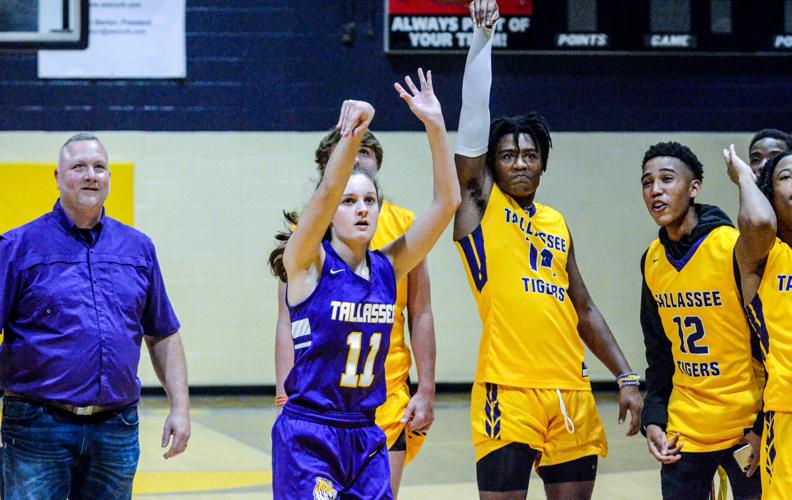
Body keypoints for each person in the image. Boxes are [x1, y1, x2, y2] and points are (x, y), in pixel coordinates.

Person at [453, 2, 642, 498]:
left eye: (530, 155)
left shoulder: (557, 222)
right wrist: (482, 39)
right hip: (507, 390)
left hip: (571, 391)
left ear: (543, 165)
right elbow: (473, 122)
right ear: (492, 166)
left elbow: (583, 307)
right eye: (508, 155)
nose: (520, 163)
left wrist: (624, 374)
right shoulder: (481, 206)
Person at [267, 69, 459, 498]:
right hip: (310, 434)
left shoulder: (389, 268)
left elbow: (448, 203)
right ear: (331, 209)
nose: (361, 209)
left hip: (366, 434)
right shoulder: (306, 263)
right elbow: (329, 187)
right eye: (349, 201)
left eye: (369, 200)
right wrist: (355, 131)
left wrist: (435, 124)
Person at [0, 133, 190, 499]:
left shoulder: (138, 248)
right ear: (57, 176)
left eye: (99, 167)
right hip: (37, 426)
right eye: (79, 167)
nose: (91, 175)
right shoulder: (17, 247)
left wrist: (180, 408)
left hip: (116, 427)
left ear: (108, 178)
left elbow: (163, 333)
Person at [639, 141, 763, 499]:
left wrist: (761, 423)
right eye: (647, 182)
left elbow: (766, 341)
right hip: (685, 430)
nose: (655, 190)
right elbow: (659, 352)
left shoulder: (732, 247)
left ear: (694, 188)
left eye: (667, 179)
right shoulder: (652, 260)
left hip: (743, 425)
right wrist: (654, 417)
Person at [725, 146, 792, 499]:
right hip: (787, 413)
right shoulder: (765, 254)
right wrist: (746, 177)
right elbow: (760, 222)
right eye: (786, 177)